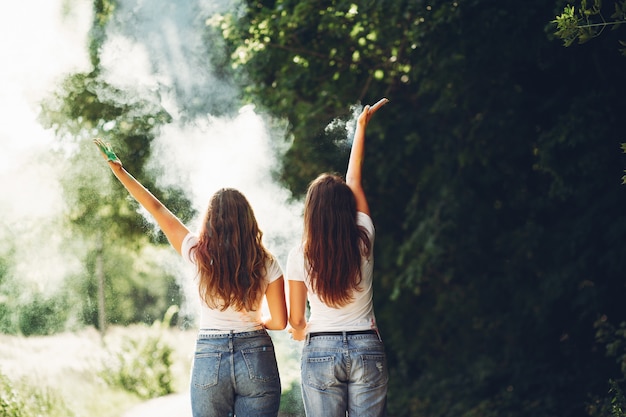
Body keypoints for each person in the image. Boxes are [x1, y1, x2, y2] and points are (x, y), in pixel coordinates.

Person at [93, 139, 287, 417]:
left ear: (210, 220)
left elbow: (157, 209)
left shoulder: (197, 253)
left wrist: (121, 172)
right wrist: (258, 323)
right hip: (256, 353)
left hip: (210, 355)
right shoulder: (266, 261)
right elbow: (280, 322)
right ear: (249, 221)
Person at [286, 98, 389, 417]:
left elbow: (297, 322)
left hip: (321, 350)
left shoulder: (299, 253)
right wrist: (361, 128)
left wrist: (299, 331)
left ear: (311, 212)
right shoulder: (364, 238)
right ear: (347, 208)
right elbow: (354, 181)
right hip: (366, 347)